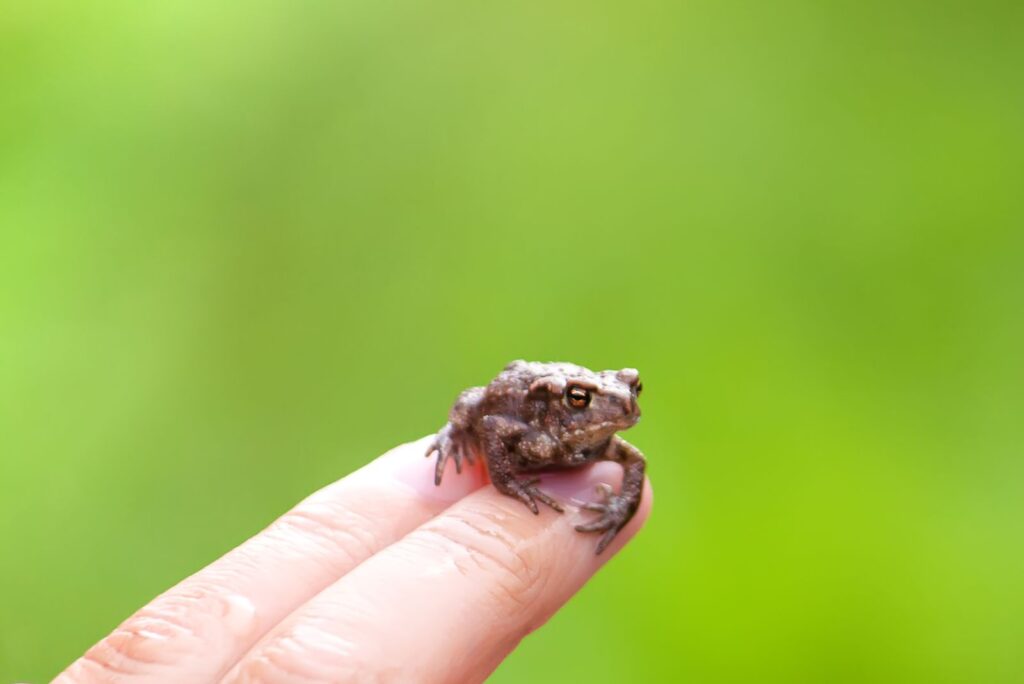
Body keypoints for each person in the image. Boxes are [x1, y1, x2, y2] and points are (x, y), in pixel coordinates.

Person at [54, 437, 653, 683]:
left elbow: (633, 467)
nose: (621, 407)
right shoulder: (543, 425)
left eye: (633, 391)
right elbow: (492, 420)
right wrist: (510, 482)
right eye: (585, 401)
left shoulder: (604, 440)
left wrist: (616, 507)